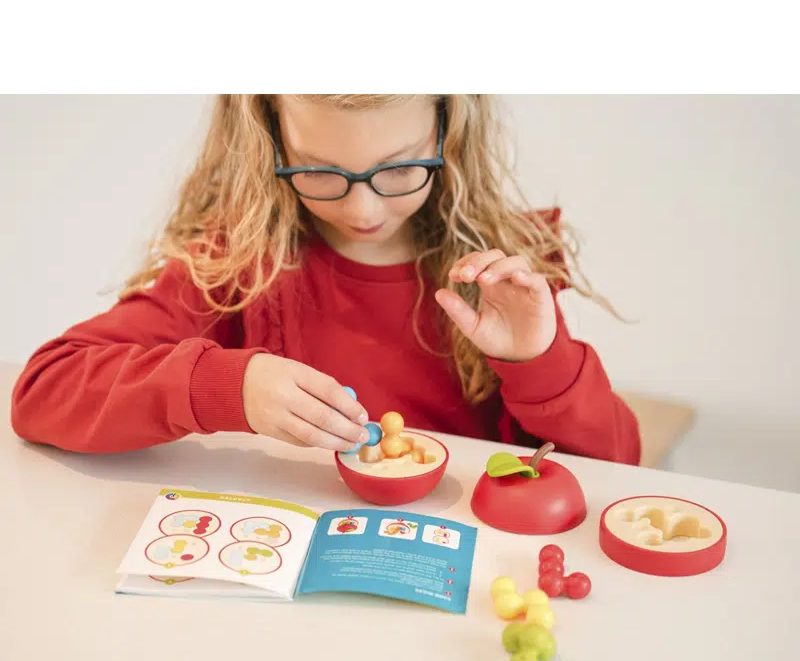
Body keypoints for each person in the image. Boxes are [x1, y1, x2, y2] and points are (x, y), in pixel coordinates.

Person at [10, 94, 641, 464]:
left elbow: (618, 468)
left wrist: (541, 361)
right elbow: (44, 389)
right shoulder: (238, 263)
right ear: (271, 142)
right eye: (318, 172)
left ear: (449, 135)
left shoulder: (505, 272)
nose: (363, 210)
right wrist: (230, 387)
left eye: (400, 169)